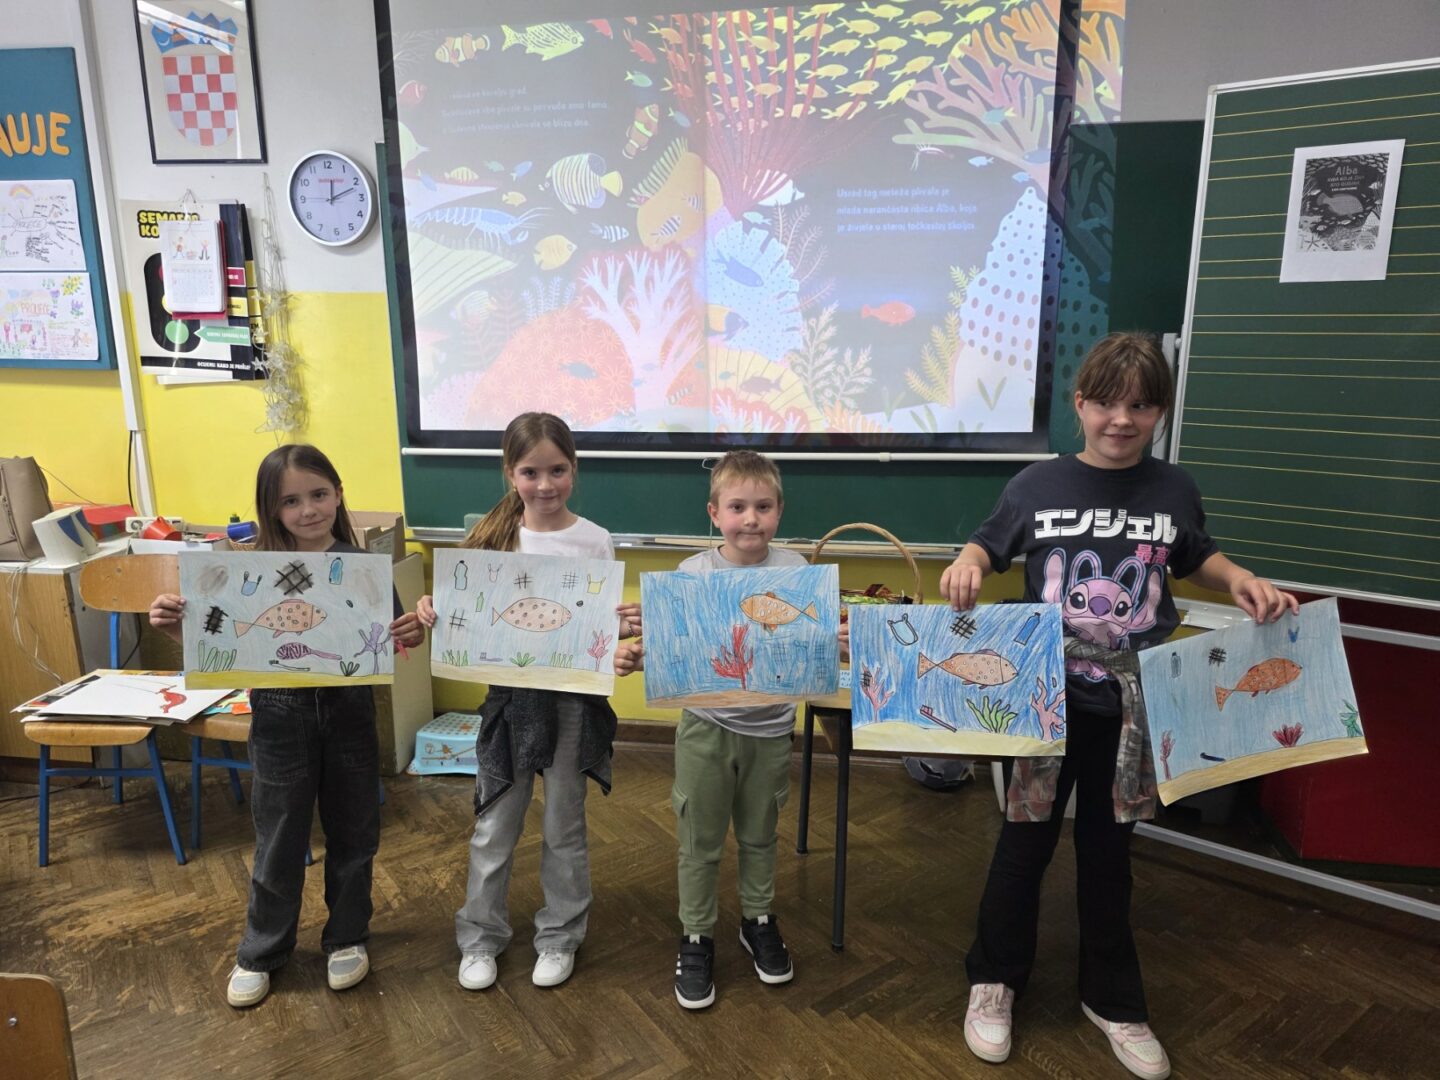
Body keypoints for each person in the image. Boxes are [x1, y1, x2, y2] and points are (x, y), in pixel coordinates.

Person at [940, 333, 1298, 1079]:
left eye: (1140, 406)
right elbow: (986, 545)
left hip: (1133, 709)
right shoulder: (1035, 484)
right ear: (1080, 404)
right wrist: (968, 564)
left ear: (1160, 412)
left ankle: (1113, 1000)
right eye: (1106, 403)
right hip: (1045, 701)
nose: (1122, 419)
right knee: (1023, 847)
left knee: (1109, 855)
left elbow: (1196, 553)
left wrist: (1239, 578)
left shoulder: (1173, 489)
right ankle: (994, 980)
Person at [149, 444, 425, 1008]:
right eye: (291, 501)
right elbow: (221, 645)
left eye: (319, 494)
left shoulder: (362, 567)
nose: (308, 510)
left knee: (354, 834)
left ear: (339, 494)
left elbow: (392, 643)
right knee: (279, 838)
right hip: (279, 716)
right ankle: (262, 949)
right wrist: (178, 630)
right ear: (271, 508)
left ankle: (347, 936)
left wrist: (411, 635)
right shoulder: (248, 571)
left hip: (349, 713)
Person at [415, 412, 639, 992]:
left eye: (558, 470)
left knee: (565, 825)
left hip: (572, 703)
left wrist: (620, 632)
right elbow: (458, 610)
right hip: (510, 702)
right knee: (495, 825)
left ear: (574, 469)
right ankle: (479, 938)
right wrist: (430, 608)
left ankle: (560, 936)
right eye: (531, 472)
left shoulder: (593, 540)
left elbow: (594, 625)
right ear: (510, 473)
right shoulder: (491, 538)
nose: (545, 485)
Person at [646, 450, 812, 1010]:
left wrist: (829, 642)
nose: (751, 519)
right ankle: (696, 935)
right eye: (737, 507)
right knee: (700, 841)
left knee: (761, 833)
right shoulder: (692, 574)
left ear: (780, 510)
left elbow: (805, 646)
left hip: (771, 731)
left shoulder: (797, 571)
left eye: (763, 507)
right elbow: (675, 648)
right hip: (706, 729)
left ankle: (758, 918)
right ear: (714, 512)